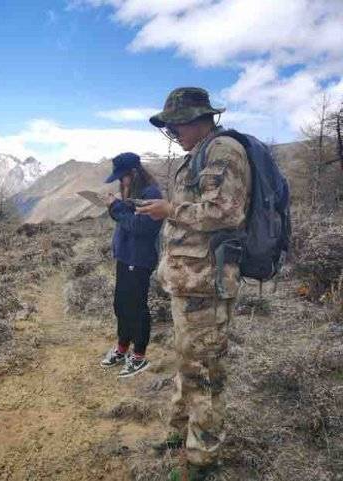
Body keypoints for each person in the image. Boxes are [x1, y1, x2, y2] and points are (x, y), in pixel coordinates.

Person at [136, 87, 251, 479]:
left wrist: (170, 209)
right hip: (190, 283)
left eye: (176, 125)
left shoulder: (222, 151)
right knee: (188, 364)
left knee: (204, 373)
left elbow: (226, 211)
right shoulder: (198, 155)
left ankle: (202, 461)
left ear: (196, 119)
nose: (172, 133)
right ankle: (179, 434)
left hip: (207, 285)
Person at [100, 152, 163, 379]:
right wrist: (117, 205)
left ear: (134, 173)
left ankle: (139, 356)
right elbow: (127, 221)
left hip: (140, 259)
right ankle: (122, 347)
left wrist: (116, 207)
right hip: (125, 256)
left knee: (137, 308)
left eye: (122, 177)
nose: (120, 181)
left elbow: (142, 227)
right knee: (121, 305)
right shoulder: (132, 191)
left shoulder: (151, 194)